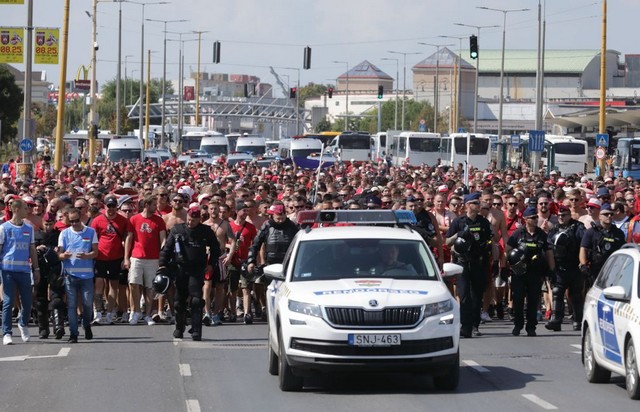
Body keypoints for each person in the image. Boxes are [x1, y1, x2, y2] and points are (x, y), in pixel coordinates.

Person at [159, 206, 220, 341]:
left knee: (197, 301)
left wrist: (211, 264)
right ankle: (179, 328)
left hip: (197, 270)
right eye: (189, 219)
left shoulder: (206, 231)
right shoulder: (177, 230)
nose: (190, 222)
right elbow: (167, 249)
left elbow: (216, 249)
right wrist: (162, 265)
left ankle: (197, 330)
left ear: (199, 219)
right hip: (180, 269)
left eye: (193, 220)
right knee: (178, 302)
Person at [446, 192, 492, 338]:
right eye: (476, 203)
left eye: (479, 203)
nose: (479, 206)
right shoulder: (458, 222)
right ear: (467, 205)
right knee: (464, 295)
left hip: (478, 262)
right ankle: (465, 326)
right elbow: (447, 243)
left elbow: (491, 240)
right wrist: (459, 234)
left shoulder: (484, 222)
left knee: (477, 295)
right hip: (463, 263)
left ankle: (474, 325)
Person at [506, 206, 555, 337]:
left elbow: (549, 252)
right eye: (532, 217)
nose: (535, 219)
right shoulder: (518, 233)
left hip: (535, 272)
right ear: (525, 219)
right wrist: (508, 264)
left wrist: (551, 270)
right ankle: (518, 325)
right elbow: (508, 250)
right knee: (518, 299)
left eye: (536, 217)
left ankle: (531, 327)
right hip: (519, 272)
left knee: (533, 301)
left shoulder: (541, 234)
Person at [246, 201, 299, 323]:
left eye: (282, 218)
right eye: (277, 218)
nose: (280, 221)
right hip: (271, 263)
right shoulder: (267, 226)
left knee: (287, 290)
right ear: (272, 216)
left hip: (288, 264)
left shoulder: (292, 226)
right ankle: (269, 309)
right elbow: (255, 245)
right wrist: (251, 261)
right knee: (271, 289)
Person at [1, 199, 41, 345]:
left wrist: (36, 269)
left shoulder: (28, 228)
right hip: (8, 271)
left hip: (24, 271)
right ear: (16, 210)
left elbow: (32, 250)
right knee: (8, 302)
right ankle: (7, 332)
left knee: (27, 301)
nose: (28, 210)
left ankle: (23, 323)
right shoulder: (4, 228)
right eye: (25, 208)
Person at [124, 194, 167, 326]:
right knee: (134, 284)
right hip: (136, 257)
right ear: (147, 205)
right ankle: (136, 311)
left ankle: (147, 314)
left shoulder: (159, 221)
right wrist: (126, 258)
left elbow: (163, 239)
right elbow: (129, 238)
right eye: (154, 205)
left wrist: (162, 257)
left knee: (150, 287)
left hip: (153, 259)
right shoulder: (134, 219)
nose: (156, 207)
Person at [58, 207, 98, 343]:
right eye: (71, 221)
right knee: (71, 305)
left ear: (81, 218)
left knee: (87, 303)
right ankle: (73, 333)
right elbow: (59, 254)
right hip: (70, 275)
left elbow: (95, 252)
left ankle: (86, 324)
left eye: (76, 221)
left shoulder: (91, 232)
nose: (74, 224)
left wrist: (87, 256)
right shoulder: (64, 233)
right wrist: (64, 255)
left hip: (87, 275)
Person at [91, 195, 132, 325]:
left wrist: (125, 258)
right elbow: (93, 239)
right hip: (101, 256)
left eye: (113, 206)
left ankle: (109, 313)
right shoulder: (97, 220)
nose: (111, 209)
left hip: (116, 257)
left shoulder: (123, 221)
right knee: (99, 284)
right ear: (104, 206)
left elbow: (127, 238)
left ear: (117, 207)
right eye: (109, 206)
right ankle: (98, 313)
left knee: (114, 286)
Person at [545, 205, 586, 332]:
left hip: (574, 266)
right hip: (559, 267)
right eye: (559, 215)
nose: (561, 217)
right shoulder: (555, 229)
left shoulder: (578, 227)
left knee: (576, 295)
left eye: (564, 215)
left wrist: (582, 263)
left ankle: (578, 321)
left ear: (570, 215)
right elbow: (548, 247)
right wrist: (550, 268)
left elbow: (584, 245)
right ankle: (556, 320)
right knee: (557, 292)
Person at [579, 203, 625, 294]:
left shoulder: (618, 233)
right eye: (606, 214)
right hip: (594, 269)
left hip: (613, 270)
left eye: (611, 214)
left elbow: (622, 251)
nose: (609, 216)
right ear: (599, 216)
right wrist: (584, 265)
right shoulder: (591, 232)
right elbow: (583, 249)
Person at [34, 211, 64, 339]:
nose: (48, 226)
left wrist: (58, 250)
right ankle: (43, 329)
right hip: (40, 268)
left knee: (56, 298)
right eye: (46, 224)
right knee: (40, 300)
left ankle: (58, 326)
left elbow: (64, 250)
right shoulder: (36, 235)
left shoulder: (59, 235)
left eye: (50, 224)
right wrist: (37, 248)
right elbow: (30, 250)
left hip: (55, 268)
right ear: (42, 223)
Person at [228, 201, 257, 324]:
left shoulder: (250, 227)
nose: (246, 213)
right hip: (233, 260)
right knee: (232, 288)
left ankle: (247, 313)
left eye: (247, 210)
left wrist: (253, 260)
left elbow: (255, 244)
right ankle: (233, 312)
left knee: (246, 288)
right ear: (237, 211)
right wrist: (232, 246)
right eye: (243, 210)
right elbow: (224, 242)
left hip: (245, 261)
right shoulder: (229, 226)